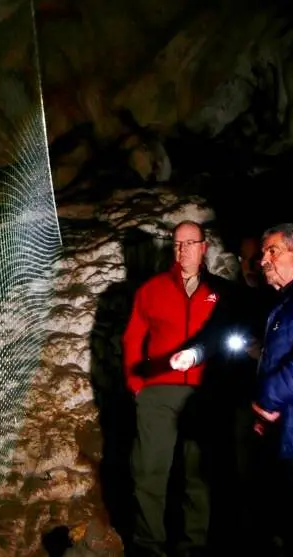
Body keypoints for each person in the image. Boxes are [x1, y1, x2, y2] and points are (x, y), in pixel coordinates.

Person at [172, 223, 293, 557]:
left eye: (272, 251)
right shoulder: (284, 303)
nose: (263, 260)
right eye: (261, 254)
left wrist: (266, 397)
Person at [122, 220, 249, 557]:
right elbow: (134, 337)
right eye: (177, 244)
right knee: (150, 471)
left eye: (190, 243)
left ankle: (194, 545)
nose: (183, 250)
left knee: (198, 474)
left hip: (203, 394)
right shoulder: (151, 290)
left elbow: (224, 339)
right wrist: (138, 385)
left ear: (203, 247)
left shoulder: (221, 292)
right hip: (159, 391)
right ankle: (149, 545)